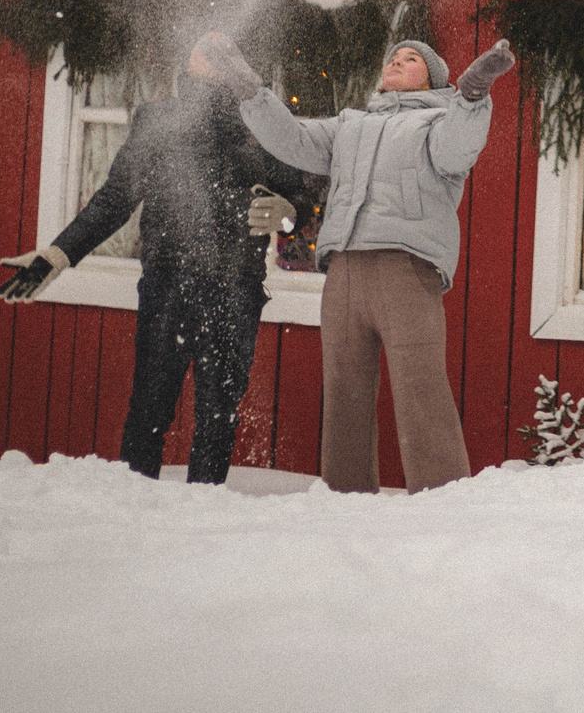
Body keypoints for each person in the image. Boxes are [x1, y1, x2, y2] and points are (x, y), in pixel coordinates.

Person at [194, 29, 514, 494]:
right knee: (344, 395)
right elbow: (293, 140)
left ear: (433, 81)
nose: (397, 62)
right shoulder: (349, 125)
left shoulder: (439, 124)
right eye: (394, 57)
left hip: (406, 270)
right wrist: (251, 90)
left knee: (420, 391)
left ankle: (444, 505)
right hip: (343, 273)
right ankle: (343, 501)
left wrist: (471, 95)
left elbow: (457, 149)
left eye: (411, 59)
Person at [0, 38, 311, 484]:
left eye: (225, 46)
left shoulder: (262, 125)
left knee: (218, 418)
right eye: (204, 45)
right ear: (186, 59)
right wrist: (58, 254)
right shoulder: (158, 119)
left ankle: (199, 523)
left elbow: (300, 195)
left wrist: (290, 214)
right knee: (147, 412)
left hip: (236, 289)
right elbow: (115, 199)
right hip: (167, 284)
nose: (212, 50)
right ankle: (133, 522)